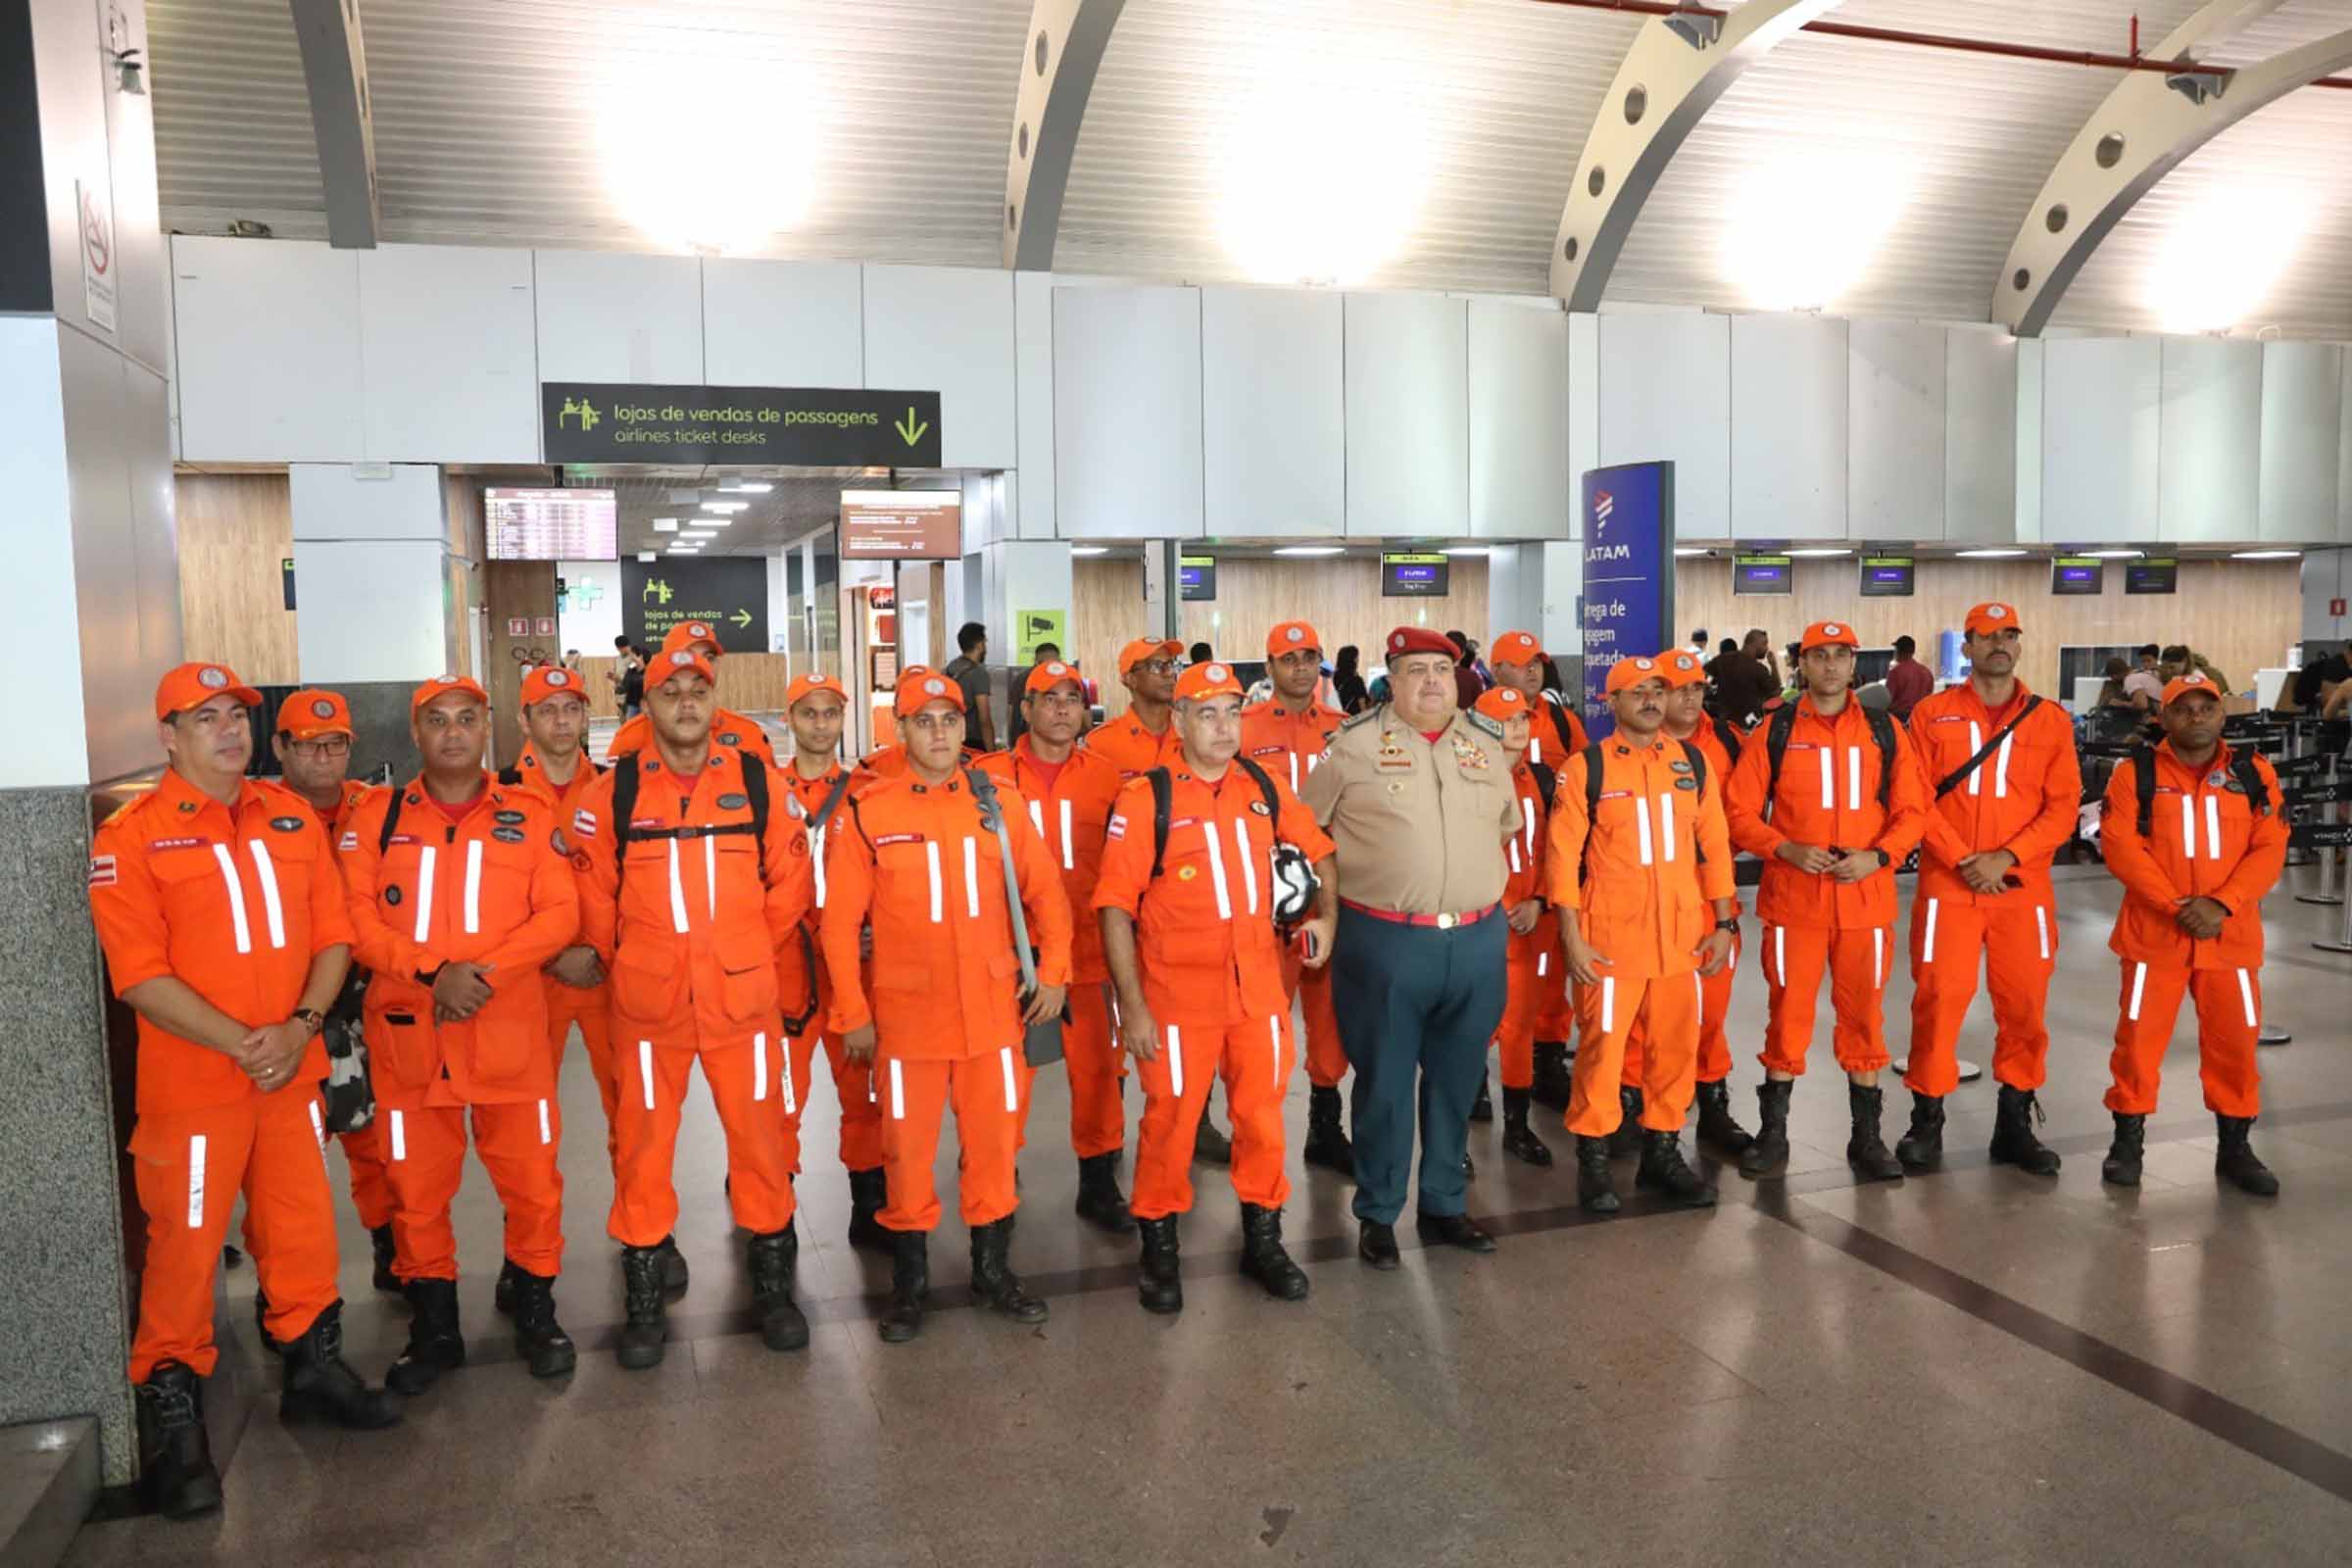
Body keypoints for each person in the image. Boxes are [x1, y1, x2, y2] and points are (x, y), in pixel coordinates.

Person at [89, 662, 400, 1521]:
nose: (230, 730)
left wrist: (298, 1028)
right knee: (185, 1255)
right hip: (195, 1090)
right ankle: (176, 1426)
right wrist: (240, 1043)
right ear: (168, 736)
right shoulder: (132, 836)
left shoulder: (290, 816)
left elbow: (334, 938)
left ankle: (313, 1366)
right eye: (206, 718)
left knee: (299, 1230)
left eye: (239, 715)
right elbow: (139, 975)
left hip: (290, 1073)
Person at [572, 648, 816, 1368]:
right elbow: (595, 903)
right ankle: (643, 1297)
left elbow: (791, 880)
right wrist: (645, 965)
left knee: (762, 1142)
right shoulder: (611, 794)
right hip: (649, 1011)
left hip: (743, 1003)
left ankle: (772, 1287)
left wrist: (736, 952)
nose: (685, 703)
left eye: (697, 691)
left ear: (716, 702)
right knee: (644, 1149)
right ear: (643, 706)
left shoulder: (757, 783)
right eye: (669, 692)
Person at [340, 675, 583, 1390]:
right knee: (417, 1191)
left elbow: (559, 913)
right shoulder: (375, 819)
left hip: (508, 1033)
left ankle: (538, 1311)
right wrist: (430, 972)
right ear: (415, 734)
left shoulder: (532, 814)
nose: (453, 732)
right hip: (412, 1041)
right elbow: (355, 921)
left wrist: (481, 976)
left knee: (533, 1185)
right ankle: (435, 1327)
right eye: (437, 720)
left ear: (488, 730)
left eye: (467, 719)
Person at [821, 669, 1073, 1343]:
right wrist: (854, 1014)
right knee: (905, 1152)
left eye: (949, 720)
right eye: (923, 720)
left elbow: (1046, 892)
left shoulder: (998, 803)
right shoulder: (868, 811)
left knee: (993, 1146)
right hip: (907, 1021)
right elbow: (839, 925)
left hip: (994, 1013)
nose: (938, 732)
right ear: (899, 730)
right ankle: (910, 1284)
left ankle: (994, 1271)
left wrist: (1054, 973)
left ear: (966, 727)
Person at [1096, 659, 1338, 1312]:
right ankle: (1161, 1246)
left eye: (1232, 710)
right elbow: (1115, 907)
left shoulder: (1262, 785)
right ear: (1179, 721)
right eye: (1207, 712)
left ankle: (1263, 1239)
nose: (1224, 726)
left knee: (1262, 1122)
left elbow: (1317, 850)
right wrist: (1134, 1007)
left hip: (1258, 995)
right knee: (1170, 1126)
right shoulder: (1148, 797)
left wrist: (1326, 918)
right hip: (1176, 1003)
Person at [1300, 626, 1520, 1268]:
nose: (1431, 681)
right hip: (1386, 941)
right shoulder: (1351, 748)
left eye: (1442, 670)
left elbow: (1503, 828)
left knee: (1457, 1082)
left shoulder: (1485, 746)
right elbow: (1306, 833)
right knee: (1387, 1085)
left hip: (1477, 939)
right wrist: (1331, 913)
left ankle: (1445, 1202)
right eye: (1415, 669)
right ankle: (1377, 1210)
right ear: (1389, 680)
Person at [1723, 622, 1931, 1181]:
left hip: (1866, 901)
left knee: (1865, 1019)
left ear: (1854, 663)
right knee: (1787, 1016)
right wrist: (1782, 846)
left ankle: (1866, 1139)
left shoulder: (1885, 730)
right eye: (1820, 656)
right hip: (1795, 902)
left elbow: (1914, 810)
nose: (1832, 666)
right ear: (1802, 664)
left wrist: (1880, 856)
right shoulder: (1777, 729)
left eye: (1841, 655)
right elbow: (1738, 812)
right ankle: (1774, 1134)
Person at [1549, 656, 1739, 1214]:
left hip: (1681, 941)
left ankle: (1663, 1152)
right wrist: (1571, 937)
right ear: (1613, 703)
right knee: (1603, 1054)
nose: (1652, 700)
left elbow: (1717, 848)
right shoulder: (1588, 769)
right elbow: (1561, 859)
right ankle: (1594, 1161)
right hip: (1610, 942)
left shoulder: (1692, 763)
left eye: (1658, 690)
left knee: (1676, 1051)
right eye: (1638, 692)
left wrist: (1724, 923)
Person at [1897, 603, 2081, 1177]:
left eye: (2010, 635)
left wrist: (2007, 857)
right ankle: (1926, 1121)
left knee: (2024, 1007)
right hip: (1948, 888)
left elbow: (2064, 806)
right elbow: (1915, 798)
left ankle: (2015, 1125)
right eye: (1987, 636)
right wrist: (1962, 859)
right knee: (1937, 1001)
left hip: (2021, 891)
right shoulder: (1931, 714)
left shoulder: (2049, 720)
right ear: (1967, 649)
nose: (2000, 644)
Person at [2095, 673, 2289, 1194]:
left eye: (2207, 707)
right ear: (2165, 716)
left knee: (2236, 1046)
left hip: (2230, 937)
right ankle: (2127, 1143)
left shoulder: (2253, 774)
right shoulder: (2133, 773)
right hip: (2154, 936)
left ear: (2222, 715)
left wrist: (2222, 904)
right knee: (2137, 1043)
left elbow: (2270, 848)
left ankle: (2236, 1147)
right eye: (2185, 708)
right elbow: (2119, 845)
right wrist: (2174, 905)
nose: (2197, 716)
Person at [977, 660, 1133, 1231]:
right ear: (1025, 709)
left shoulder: (1108, 777)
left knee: (1097, 1074)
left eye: (1073, 698)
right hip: (1010, 960)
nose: (1063, 708)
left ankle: (1097, 1182)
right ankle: (997, 1181)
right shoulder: (987, 779)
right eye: (1049, 698)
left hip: (1090, 957)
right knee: (1007, 1082)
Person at [269, 689, 398, 1297]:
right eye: (308, 745)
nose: (323, 757)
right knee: (286, 1157)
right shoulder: (256, 815)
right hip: (288, 1007)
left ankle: (389, 1244)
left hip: (366, 999)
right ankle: (287, 1286)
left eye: (335, 744)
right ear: (280, 748)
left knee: (374, 1137)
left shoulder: (378, 810)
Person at [1087, 636, 1233, 1158]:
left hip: (1183, 919)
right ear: (1127, 678)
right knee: (1126, 1041)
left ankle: (1198, 1122)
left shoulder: (1194, 740)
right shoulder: (1102, 747)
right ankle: (1119, 1141)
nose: (1166, 673)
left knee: (1197, 1032)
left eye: (1170, 664)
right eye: (1152, 666)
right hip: (1128, 916)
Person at [772, 673, 891, 1250]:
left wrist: (877, 930)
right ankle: (774, 1219)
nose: (821, 724)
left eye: (830, 714)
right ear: (790, 719)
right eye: (809, 713)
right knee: (781, 1098)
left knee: (864, 1090)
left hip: (855, 971)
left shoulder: (870, 790)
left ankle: (868, 1204)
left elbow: (892, 878)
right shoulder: (766, 792)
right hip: (788, 968)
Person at [1618, 650, 1753, 1156]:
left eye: (1697, 687)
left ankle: (1713, 1106)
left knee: (1710, 1015)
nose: (1691, 697)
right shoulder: (1620, 753)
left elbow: (1737, 821)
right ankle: (1631, 1107)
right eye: (1679, 689)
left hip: (1709, 906)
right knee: (1640, 1017)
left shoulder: (1727, 744)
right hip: (1643, 908)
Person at [498, 666, 622, 1185]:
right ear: (524, 720)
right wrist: (549, 955)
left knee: (631, 1104)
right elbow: (493, 896)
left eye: (571, 708)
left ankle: (644, 1230)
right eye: (547, 710)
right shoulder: (500, 794)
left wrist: (601, 951)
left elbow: (634, 883)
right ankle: (531, 1244)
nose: (562, 721)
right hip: (530, 978)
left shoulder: (617, 790)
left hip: (605, 972)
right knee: (528, 1115)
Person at [1241, 620, 1353, 1175]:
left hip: (1331, 896)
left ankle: (1324, 1126)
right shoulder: (1241, 730)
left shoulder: (1345, 729)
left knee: (1331, 1018)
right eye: (1288, 659)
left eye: (1309, 656)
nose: (1300, 667)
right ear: (1269, 667)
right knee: (1265, 1019)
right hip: (1268, 905)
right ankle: (1258, 1136)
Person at [1488, 631, 1589, 1102]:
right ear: (1496, 670)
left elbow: (1583, 797)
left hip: (1545, 885)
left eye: (1537, 664)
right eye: (1520, 663)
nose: (1532, 671)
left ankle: (1546, 1070)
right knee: (1491, 1002)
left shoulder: (1564, 726)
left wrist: (1548, 894)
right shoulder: (1470, 741)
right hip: (1493, 904)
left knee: (1549, 990)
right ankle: (1475, 1087)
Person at [1470, 686, 1555, 1167]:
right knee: (1470, 1034)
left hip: (1529, 928)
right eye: (1506, 720)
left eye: (1523, 718)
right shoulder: (1462, 782)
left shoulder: (1538, 778)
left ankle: (1518, 1127)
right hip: (1480, 932)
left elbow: (1550, 850)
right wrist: (1501, 905)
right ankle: (1455, 1136)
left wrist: (1539, 900)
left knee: (1520, 1029)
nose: (1518, 729)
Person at [606, 622, 777, 767]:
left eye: (709, 658)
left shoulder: (749, 734)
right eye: (689, 656)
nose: (703, 666)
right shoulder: (629, 739)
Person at [1706, 628, 1780, 726]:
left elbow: (1701, 674)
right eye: (1764, 644)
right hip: (1750, 727)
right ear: (1754, 644)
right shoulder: (1758, 669)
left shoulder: (1723, 659)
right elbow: (1776, 692)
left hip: (1724, 725)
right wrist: (1773, 665)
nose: (1766, 648)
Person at [945, 622, 998, 752]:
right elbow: (984, 719)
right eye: (985, 643)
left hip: (951, 738)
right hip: (972, 742)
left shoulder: (948, 669)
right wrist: (991, 753)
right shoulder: (979, 674)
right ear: (979, 645)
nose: (985, 647)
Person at [1004, 640, 1062, 745]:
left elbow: (1010, 712)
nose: (1047, 669)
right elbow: (1011, 712)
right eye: (1043, 664)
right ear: (1035, 662)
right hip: (1034, 742)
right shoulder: (1023, 680)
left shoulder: (1019, 679)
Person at [1885, 635, 1935, 721]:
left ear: (1899, 651)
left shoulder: (1896, 672)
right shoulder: (1927, 672)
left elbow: (1887, 700)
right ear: (1912, 651)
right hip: (1922, 717)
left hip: (1900, 719)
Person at [1446, 630, 1485, 710]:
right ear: (1463, 654)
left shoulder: (1432, 677)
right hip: (1465, 721)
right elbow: (1481, 708)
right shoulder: (1473, 678)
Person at [2124, 644, 2165, 708]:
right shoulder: (2138, 672)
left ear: (2156, 659)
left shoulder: (2163, 672)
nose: (2145, 664)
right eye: (2143, 661)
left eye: (2148, 661)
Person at [1333, 645, 1369, 715]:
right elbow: (1363, 708)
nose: (1358, 659)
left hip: (1337, 717)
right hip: (1352, 721)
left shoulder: (1334, 677)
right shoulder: (1357, 681)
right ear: (1354, 660)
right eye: (1357, 657)